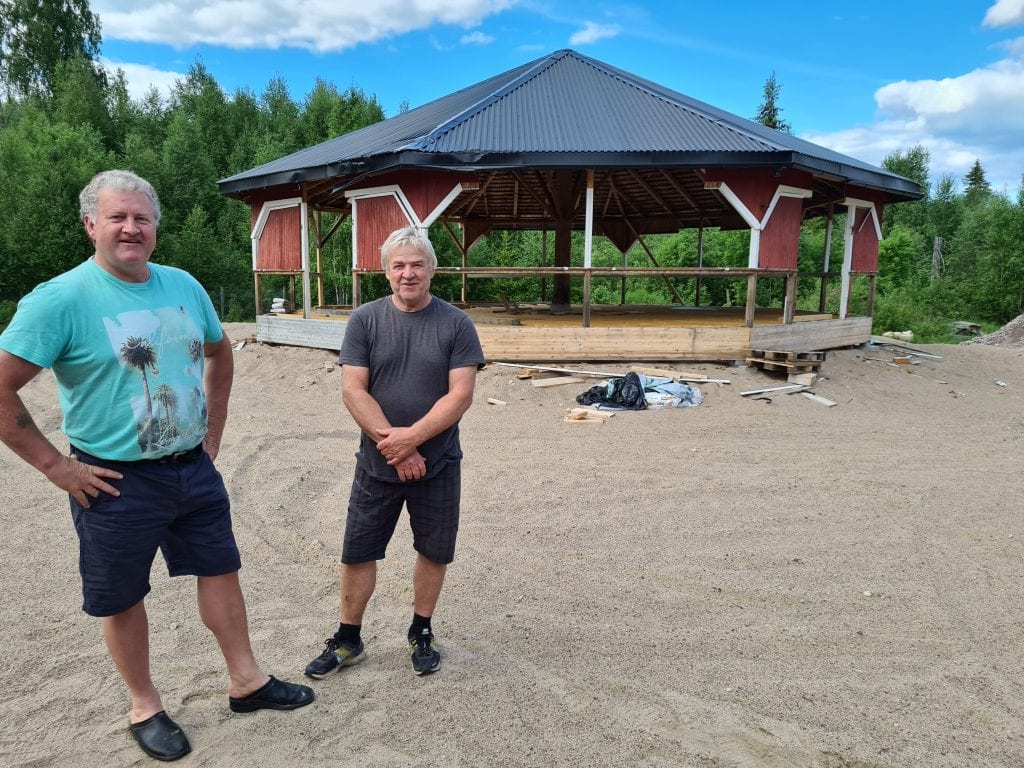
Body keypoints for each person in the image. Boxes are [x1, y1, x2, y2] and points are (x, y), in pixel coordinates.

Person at [0, 170, 314, 762]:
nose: (131, 228)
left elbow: (221, 352)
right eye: (117, 217)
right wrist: (55, 469)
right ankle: (144, 705)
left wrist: (213, 433)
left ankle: (245, 681)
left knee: (220, 570)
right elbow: (1, 388)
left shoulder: (183, 286)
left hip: (192, 468)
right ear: (91, 224)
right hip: (114, 479)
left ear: (155, 227)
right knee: (122, 596)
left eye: (142, 217)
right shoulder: (60, 299)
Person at [305, 225, 484, 680]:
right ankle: (349, 637)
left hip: (439, 462)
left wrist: (415, 441)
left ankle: (421, 630)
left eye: (417, 264)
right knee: (358, 551)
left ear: (432, 270)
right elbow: (353, 391)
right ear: (385, 272)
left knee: (433, 550)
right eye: (399, 265)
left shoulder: (456, 324)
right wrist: (398, 448)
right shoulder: (365, 320)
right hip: (378, 461)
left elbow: (459, 395)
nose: (409, 273)